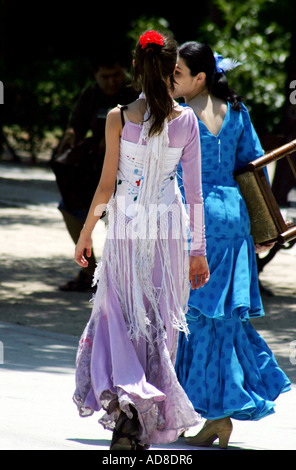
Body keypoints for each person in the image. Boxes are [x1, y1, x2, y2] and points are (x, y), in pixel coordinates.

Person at [72, 31, 210, 450]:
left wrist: (85, 233)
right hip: (169, 231)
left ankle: (129, 415)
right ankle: (142, 417)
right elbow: (195, 191)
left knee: (121, 316)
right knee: (159, 324)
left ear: (136, 67)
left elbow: (105, 188)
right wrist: (198, 251)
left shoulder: (117, 117)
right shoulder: (187, 120)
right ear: (173, 71)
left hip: (128, 228)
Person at [173, 42, 291, 449]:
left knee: (197, 320)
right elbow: (254, 166)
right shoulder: (238, 112)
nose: (171, 80)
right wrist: (266, 230)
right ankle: (212, 414)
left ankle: (216, 414)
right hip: (235, 219)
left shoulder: (182, 115)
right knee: (221, 321)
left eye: (177, 73)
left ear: (200, 76)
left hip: (196, 219)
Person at [52, 50, 138, 292]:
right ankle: (90, 273)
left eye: (116, 75)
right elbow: (75, 125)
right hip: (93, 173)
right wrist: (70, 137)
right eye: (105, 77)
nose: (111, 81)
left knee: (120, 224)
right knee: (68, 208)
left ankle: (122, 278)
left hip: (128, 176)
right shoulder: (90, 94)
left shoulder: (134, 93)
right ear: (95, 75)